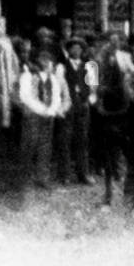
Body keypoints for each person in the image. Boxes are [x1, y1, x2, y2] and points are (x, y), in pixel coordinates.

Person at [19, 49, 67, 189]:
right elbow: (26, 97)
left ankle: (42, 177)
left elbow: (57, 97)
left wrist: (51, 110)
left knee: (45, 148)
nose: (48, 64)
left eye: (49, 61)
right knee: (29, 146)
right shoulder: (28, 76)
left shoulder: (53, 79)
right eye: (44, 61)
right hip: (33, 116)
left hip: (47, 118)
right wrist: (42, 110)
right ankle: (25, 178)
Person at [57, 37, 97, 185]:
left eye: (79, 48)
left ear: (82, 50)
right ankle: (65, 175)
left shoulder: (90, 66)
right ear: (69, 50)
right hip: (67, 105)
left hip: (83, 106)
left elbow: (93, 88)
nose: (76, 50)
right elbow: (58, 87)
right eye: (73, 48)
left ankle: (83, 174)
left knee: (83, 140)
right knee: (65, 140)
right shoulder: (62, 67)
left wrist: (88, 101)